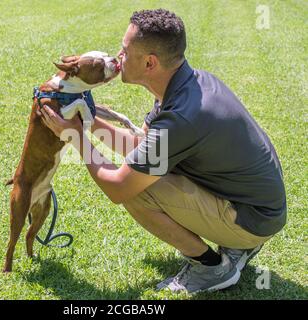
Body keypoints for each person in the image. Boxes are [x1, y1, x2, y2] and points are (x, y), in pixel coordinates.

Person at [39, 9, 287, 294]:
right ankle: (236, 245)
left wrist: (73, 136)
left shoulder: (181, 116)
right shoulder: (187, 83)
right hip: (256, 207)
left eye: (124, 50)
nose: (118, 56)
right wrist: (89, 122)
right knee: (144, 169)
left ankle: (212, 267)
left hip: (253, 220)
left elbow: (118, 188)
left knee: (136, 189)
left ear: (149, 62)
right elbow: (141, 146)